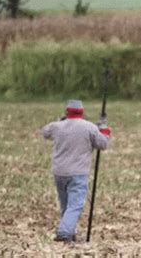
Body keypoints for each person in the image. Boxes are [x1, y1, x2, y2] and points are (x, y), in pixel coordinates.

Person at [42, 100, 111, 242]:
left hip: (59, 172)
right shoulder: (89, 128)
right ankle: (65, 232)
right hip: (78, 173)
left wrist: (61, 120)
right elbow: (103, 144)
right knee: (75, 205)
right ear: (82, 112)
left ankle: (69, 232)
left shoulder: (57, 126)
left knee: (66, 204)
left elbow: (45, 132)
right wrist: (103, 128)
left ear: (67, 112)